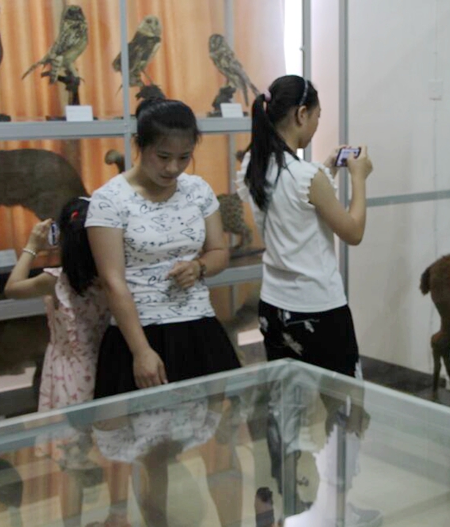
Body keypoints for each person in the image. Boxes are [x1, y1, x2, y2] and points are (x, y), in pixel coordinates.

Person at [86, 97, 243, 527]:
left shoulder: (198, 191)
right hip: (142, 336)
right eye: (163, 156)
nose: (173, 168)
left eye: (184, 157)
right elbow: (113, 282)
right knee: (152, 452)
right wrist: (140, 351)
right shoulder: (109, 200)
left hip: (199, 332)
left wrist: (199, 267)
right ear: (139, 145)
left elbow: (219, 251)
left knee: (222, 444)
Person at [238, 74, 379, 526]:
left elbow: (295, 204)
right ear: (301, 114)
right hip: (319, 310)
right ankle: (338, 506)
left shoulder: (252, 166)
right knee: (347, 409)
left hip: (275, 309)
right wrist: (358, 178)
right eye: (316, 115)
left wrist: (327, 171)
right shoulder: (307, 176)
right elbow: (352, 231)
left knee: (286, 406)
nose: (317, 123)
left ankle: (288, 506)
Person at [3, 197, 130, 527]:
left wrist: (32, 246)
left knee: (71, 463)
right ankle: (118, 518)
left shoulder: (55, 280)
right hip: (109, 367)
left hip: (66, 376)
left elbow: (12, 288)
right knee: (117, 451)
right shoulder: (113, 277)